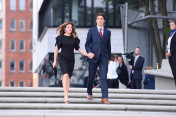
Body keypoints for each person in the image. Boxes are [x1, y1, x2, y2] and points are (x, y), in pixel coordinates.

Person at [53, 21, 92, 104]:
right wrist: (54, 61)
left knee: (68, 78)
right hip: (62, 59)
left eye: (71, 27)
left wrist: (87, 54)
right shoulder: (60, 37)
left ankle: (66, 94)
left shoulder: (74, 38)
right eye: (68, 27)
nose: (70, 29)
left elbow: (79, 49)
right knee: (65, 75)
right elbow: (56, 49)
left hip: (71, 60)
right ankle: (66, 95)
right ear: (64, 29)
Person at [85, 13, 111, 104]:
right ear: (96, 20)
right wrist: (89, 52)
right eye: (98, 18)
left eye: (101, 19)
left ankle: (105, 97)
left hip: (104, 58)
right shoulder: (91, 31)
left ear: (104, 20)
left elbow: (108, 46)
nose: (100, 20)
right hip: (93, 57)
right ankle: (89, 92)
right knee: (91, 77)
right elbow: (87, 44)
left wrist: (108, 58)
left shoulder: (108, 32)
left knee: (103, 77)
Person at [166, 21, 176, 86]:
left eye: (172, 25)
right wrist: (168, 52)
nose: (171, 26)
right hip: (170, 56)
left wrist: (171, 52)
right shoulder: (171, 34)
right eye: (170, 25)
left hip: (174, 55)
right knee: (174, 73)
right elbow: (169, 45)